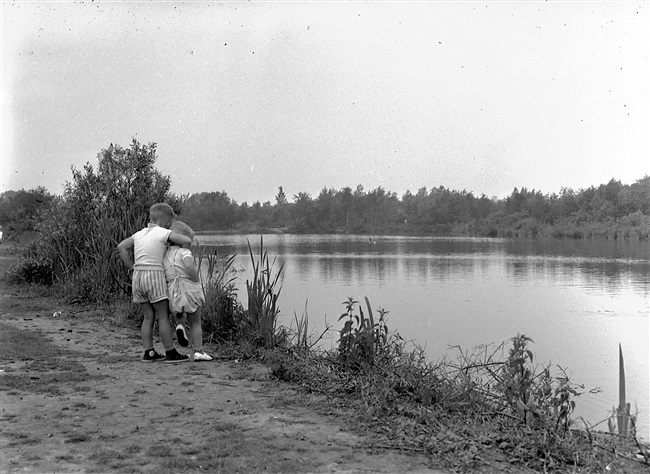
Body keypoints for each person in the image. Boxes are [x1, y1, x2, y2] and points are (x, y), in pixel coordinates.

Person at [117, 203, 191, 363]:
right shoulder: (162, 232)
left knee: (148, 316)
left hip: (138, 277)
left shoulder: (139, 234)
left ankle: (149, 352)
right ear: (166, 221)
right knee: (163, 316)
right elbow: (186, 239)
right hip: (154, 275)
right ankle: (170, 352)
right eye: (169, 223)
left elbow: (121, 247)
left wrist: (132, 266)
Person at [163, 220, 213, 362]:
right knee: (196, 321)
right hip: (187, 286)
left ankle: (180, 326)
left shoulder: (164, 255)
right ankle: (198, 351)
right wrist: (196, 281)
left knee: (179, 313)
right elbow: (189, 267)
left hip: (172, 288)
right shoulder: (185, 252)